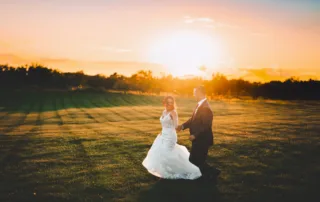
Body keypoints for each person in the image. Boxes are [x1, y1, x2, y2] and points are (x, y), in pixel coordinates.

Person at [142, 96, 202, 180]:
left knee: (166, 153)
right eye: (168, 102)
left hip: (170, 136)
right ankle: (163, 172)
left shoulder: (173, 113)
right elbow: (163, 125)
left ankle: (182, 169)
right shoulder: (164, 111)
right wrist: (162, 132)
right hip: (162, 135)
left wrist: (178, 128)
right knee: (159, 152)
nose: (169, 104)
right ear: (165, 103)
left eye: (171, 102)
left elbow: (176, 127)